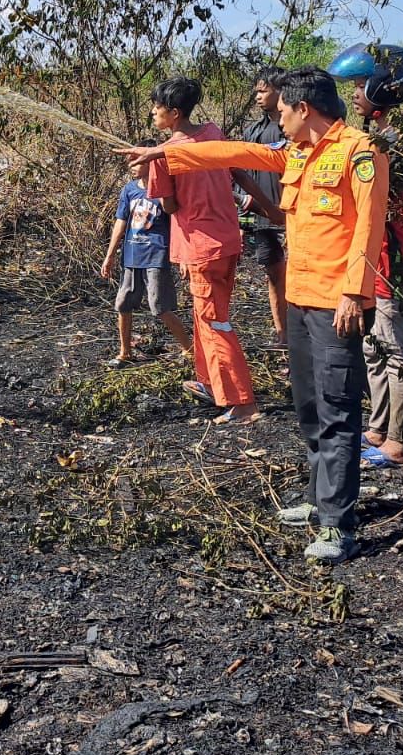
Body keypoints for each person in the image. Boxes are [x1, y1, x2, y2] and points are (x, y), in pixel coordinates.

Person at [122, 67, 388, 564]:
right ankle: (318, 500)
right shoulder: (297, 153)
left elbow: (369, 229)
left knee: (337, 409)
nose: (278, 119)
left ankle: (338, 524)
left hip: (338, 303)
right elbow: (233, 152)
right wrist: (162, 154)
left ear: (303, 108)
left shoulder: (360, 152)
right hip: (301, 298)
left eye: (283, 110)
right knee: (309, 405)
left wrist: (355, 293)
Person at [327, 44, 403, 468]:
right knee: (374, 347)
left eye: (360, 85)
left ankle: (399, 440)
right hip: (372, 257)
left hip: (390, 257)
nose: (354, 94)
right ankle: (380, 426)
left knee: (395, 348)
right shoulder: (380, 137)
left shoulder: (392, 143)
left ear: (383, 87)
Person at [143, 78, 258, 423]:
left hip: (202, 246)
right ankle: (210, 383)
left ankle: (241, 402)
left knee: (214, 322)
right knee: (205, 314)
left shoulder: (163, 156)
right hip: (225, 240)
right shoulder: (212, 133)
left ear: (174, 113)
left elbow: (169, 205)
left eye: (157, 108)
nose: (153, 113)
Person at [101, 157, 191, 366]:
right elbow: (121, 222)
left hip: (156, 255)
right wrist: (110, 255)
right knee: (123, 304)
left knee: (159, 307)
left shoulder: (165, 191)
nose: (131, 167)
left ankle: (190, 348)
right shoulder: (129, 190)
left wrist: (182, 257)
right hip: (132, 255)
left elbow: (179, 223)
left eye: (137, 162)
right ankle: (125, 352)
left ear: (151, 163)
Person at [235, 67, 289, 350]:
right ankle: (282, 334)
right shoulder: (253, 131)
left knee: (299, 275)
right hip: (262, 218)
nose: (257, 96)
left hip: (294, 216)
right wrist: (243, 220)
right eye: (256, 91)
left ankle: (304, 334)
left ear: (280, 91)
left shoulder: (295, 129)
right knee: (273, 274)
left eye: (263, 91)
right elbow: (243, 175)